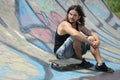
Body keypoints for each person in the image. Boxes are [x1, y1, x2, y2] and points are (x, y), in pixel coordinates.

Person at [54, 5, 114, 72]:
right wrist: (91, 43)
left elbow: (91, 33)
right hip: (61, 53)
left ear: (79, 17)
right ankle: (80, 60)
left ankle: (100, 64)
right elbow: (75, 34)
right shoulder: (64, 24)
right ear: (68, 14)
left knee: (92, 38)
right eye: (70, 14)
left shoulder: (79, 26)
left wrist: (97, 41)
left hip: (73, 51)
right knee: (76, 37)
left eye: (74, 15)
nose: (71, 17)